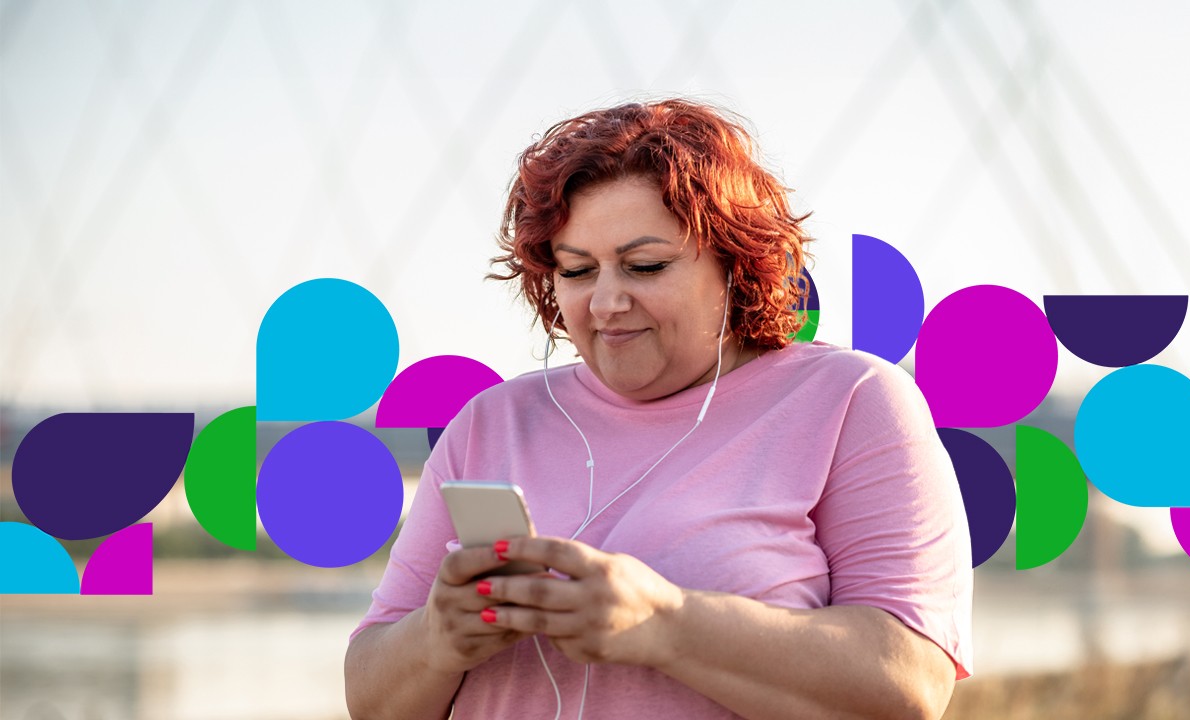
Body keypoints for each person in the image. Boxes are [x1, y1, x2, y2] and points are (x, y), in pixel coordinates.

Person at [345, 98, 973, 720]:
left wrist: (665, 624)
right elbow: (369, 699)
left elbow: (910, 684)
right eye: (578, 270)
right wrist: (436, 640)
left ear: (736, 265)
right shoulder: (488, 423)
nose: (606, 302)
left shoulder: (852, 401)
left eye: (645, 266)